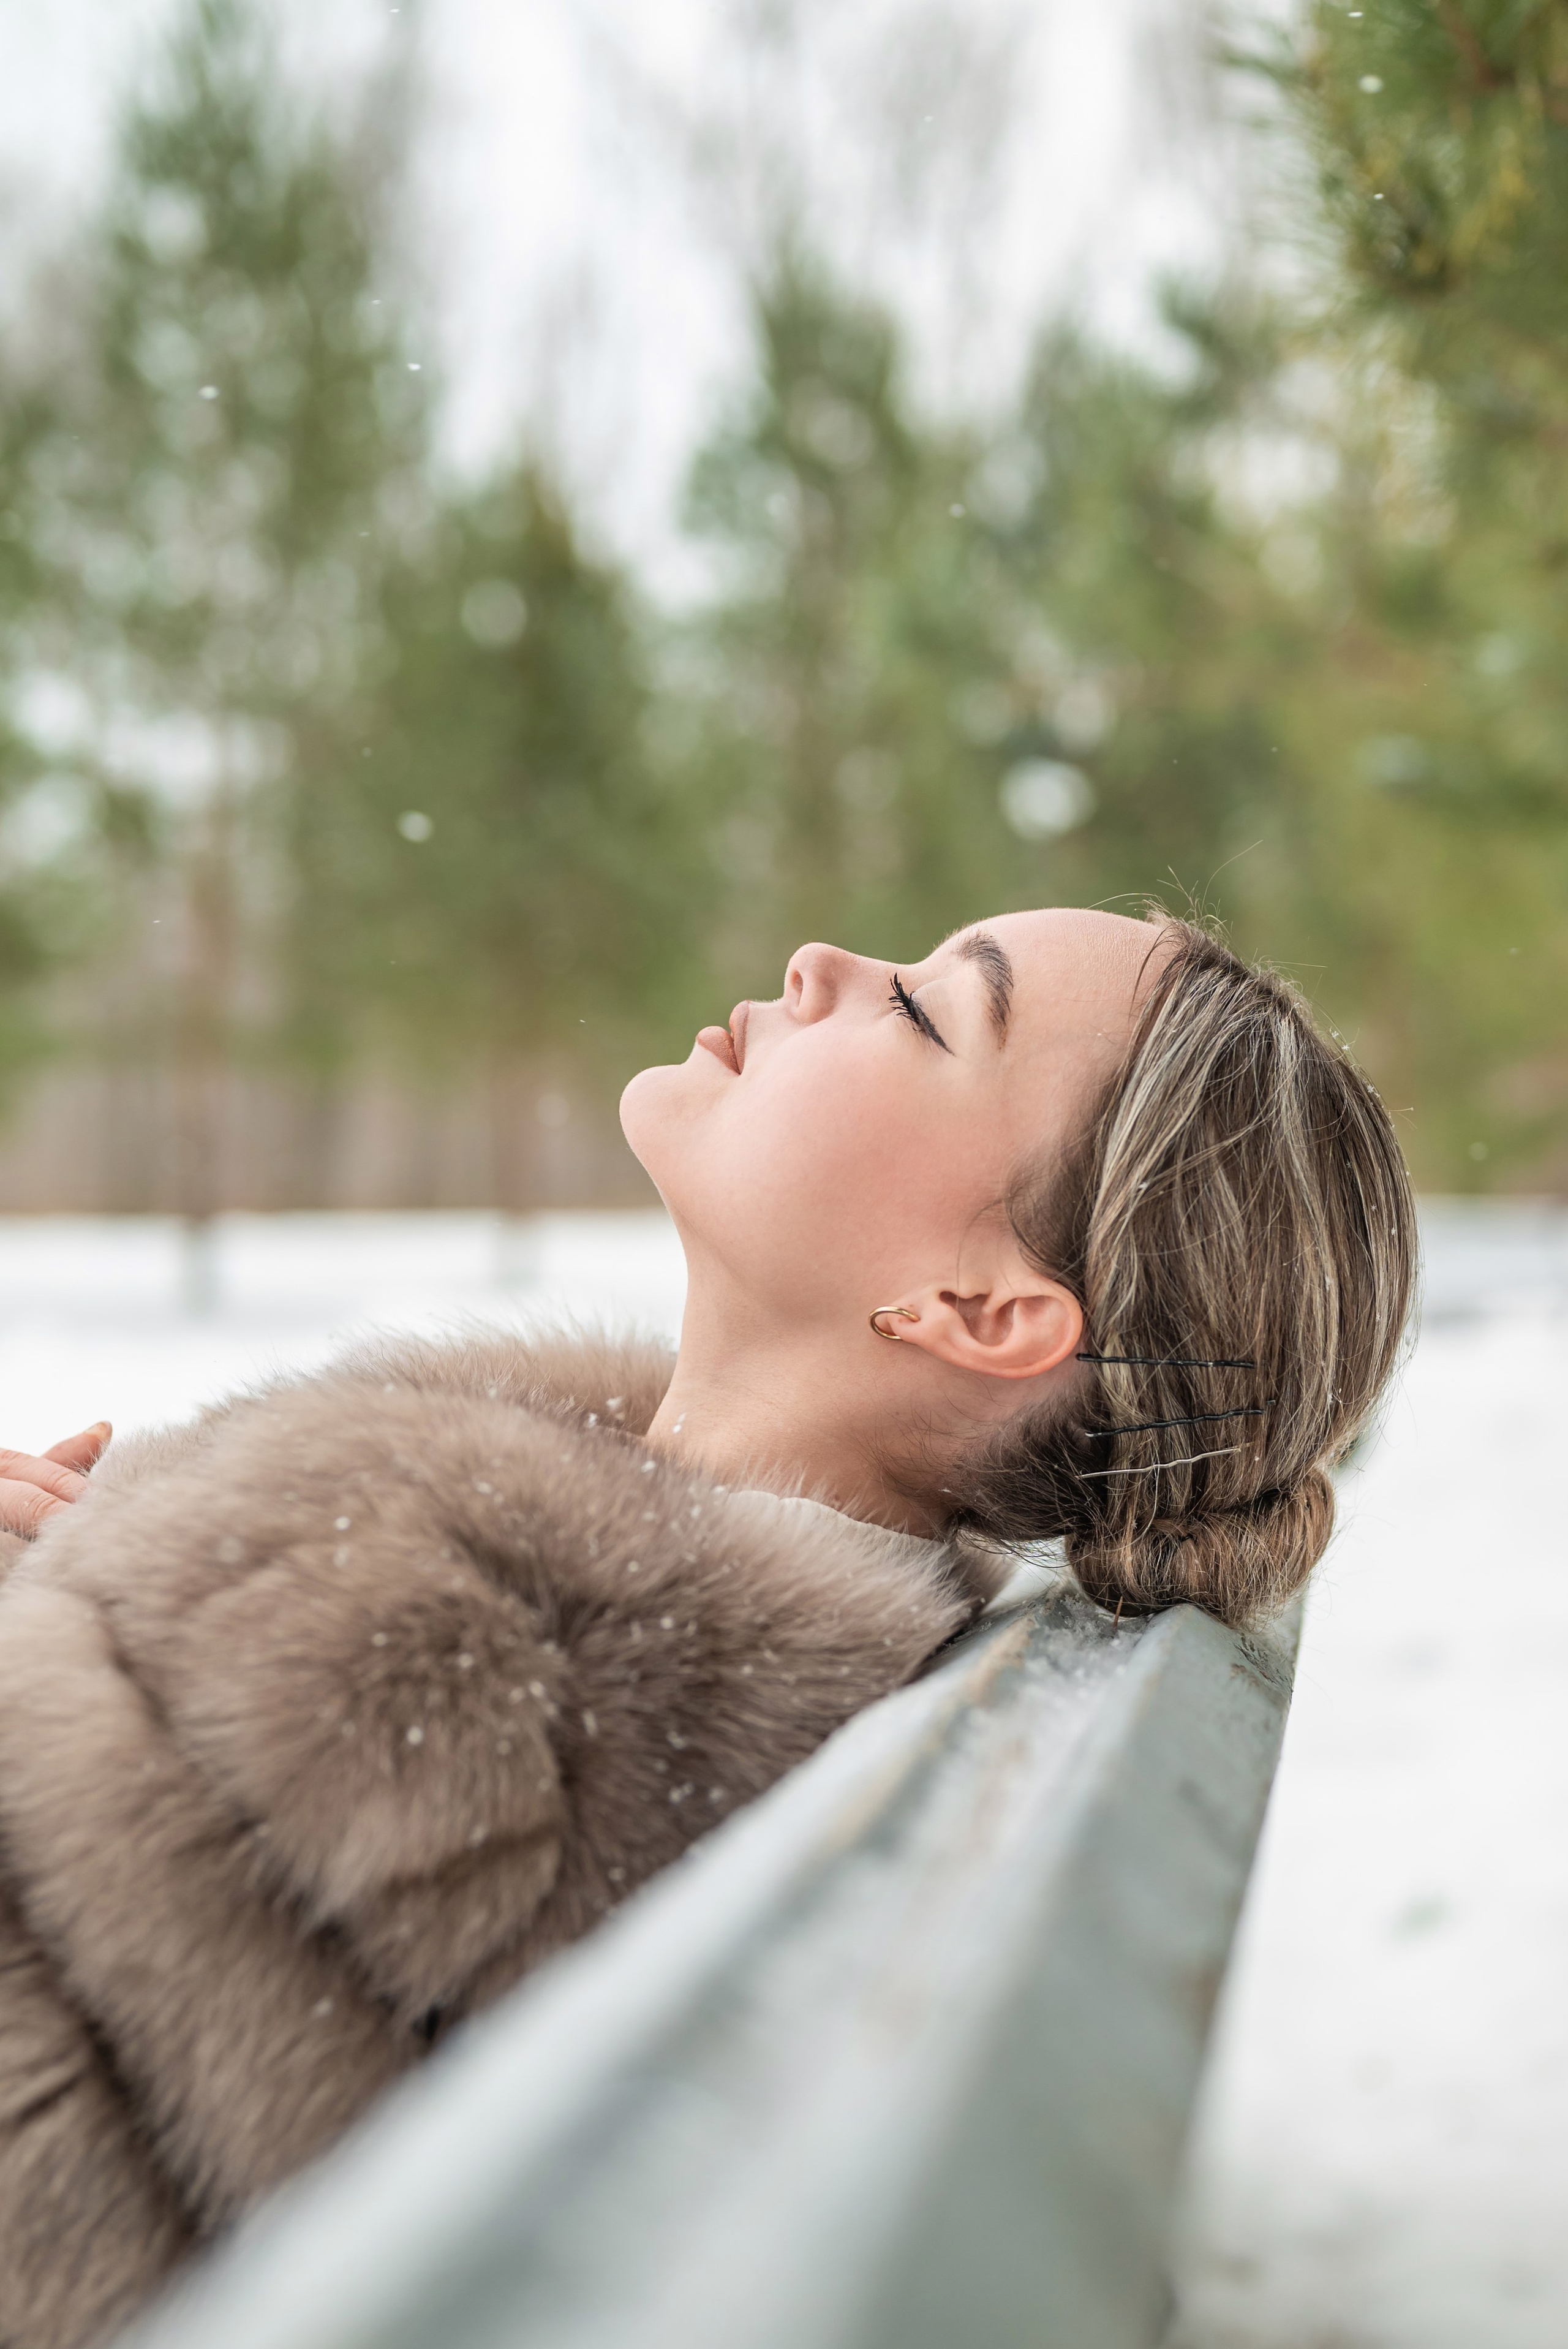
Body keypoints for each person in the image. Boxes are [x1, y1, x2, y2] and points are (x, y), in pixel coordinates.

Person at [0, 907, 1415, 2348]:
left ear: (978, 1310)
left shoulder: (478, 1656)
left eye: (927, 1013)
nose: (818, 965)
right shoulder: (534, 1614)